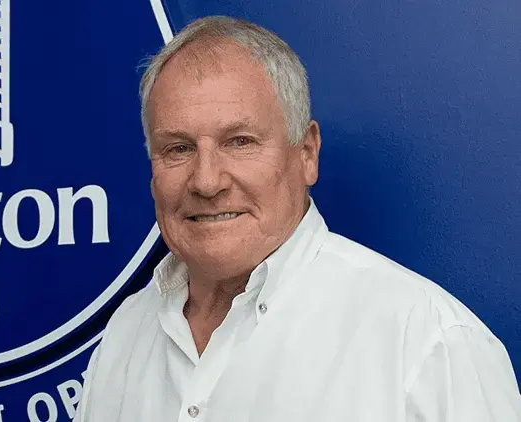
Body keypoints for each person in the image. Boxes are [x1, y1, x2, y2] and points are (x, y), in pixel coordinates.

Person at [74, 15, 521, 422]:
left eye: (240, 141)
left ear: (306, 153)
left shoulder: (426, 344)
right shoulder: (126, 334)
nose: (207, 181)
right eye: (178, 149)